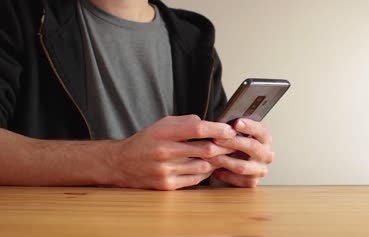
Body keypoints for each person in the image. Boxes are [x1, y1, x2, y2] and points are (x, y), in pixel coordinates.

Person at [0, 0, 274, 190]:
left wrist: (227, 172)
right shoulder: (18, 15)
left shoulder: (194, 37)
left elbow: (206, 162)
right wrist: (115, 161)